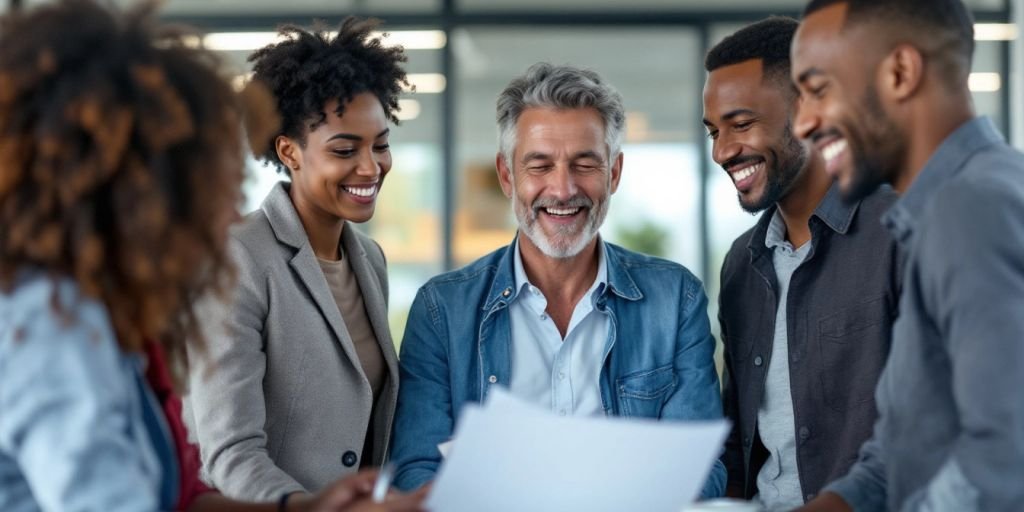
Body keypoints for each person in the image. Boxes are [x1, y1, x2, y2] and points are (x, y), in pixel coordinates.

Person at [0, 1, 423, 511]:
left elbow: (179, 494)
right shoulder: (51, 328)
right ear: (136, 192)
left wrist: (311, 507)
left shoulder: (109, 321)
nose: (225, 216)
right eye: (204, 189)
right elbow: (209, 463)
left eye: (379, 145)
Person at [389, 63, 727, 498]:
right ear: (507, 175)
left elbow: (702, 472)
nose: (564, 189)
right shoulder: (442, 309)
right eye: (540, 166)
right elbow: (417, 469)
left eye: (585, 164)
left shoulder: (675, 299)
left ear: (615, 173)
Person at [790, 0, 1024, 510]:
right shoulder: (945, 210)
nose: (803, 123)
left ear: (900, 72)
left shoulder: (971, 210)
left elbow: (1005, 464)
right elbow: (904, 454)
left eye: (817, 90)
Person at [185, 16, 409, 505]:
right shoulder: (237, 257)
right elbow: (229, 452)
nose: (371, 167)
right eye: (345, 149)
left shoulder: (369, 260)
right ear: (289, 151)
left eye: (381, 144)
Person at [702, 17, 900, 510]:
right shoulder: (741, 266)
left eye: (742, 124)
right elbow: (741, 438)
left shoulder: (903, 231)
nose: (723, 150)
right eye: (713, 132)